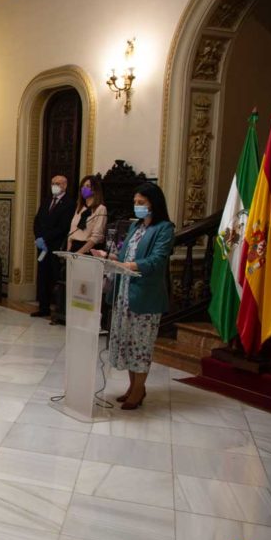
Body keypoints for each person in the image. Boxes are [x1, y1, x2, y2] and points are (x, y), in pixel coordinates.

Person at [106, 183, 175, 410]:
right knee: (127, 342)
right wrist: (109, 256)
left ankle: (138, 390)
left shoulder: (164, 228)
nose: (137, 207)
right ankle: (133, 386)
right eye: (135, 203)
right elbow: (124, 254)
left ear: (153, 203)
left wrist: (129, 264)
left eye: (141, 203)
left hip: (145, 295)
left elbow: (156, 260)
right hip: (125, 292)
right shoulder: (136, 227)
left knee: (141, 345)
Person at [32, 174, 76, 318]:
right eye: (53, 183)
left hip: (56, 246)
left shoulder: (70, 204)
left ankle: (58, 309)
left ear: (64, 185)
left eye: (57, 183)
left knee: (56, 276)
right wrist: (38, 237)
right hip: (42, 247)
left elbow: (63, 227)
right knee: (42, 276)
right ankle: (43, 307)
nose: (54, 186)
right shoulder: (47, 201)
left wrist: (45, 238)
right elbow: (37, 220)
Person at [66, 175, 108, 254]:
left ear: (95, 189)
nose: (84, 188)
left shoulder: (100, 209)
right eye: (82, 186)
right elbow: (71, 233)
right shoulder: (80, 208)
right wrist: (69, 250)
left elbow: (97, 236)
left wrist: (79, 253)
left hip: (88, 249)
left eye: (87, 186)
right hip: (73, 247)